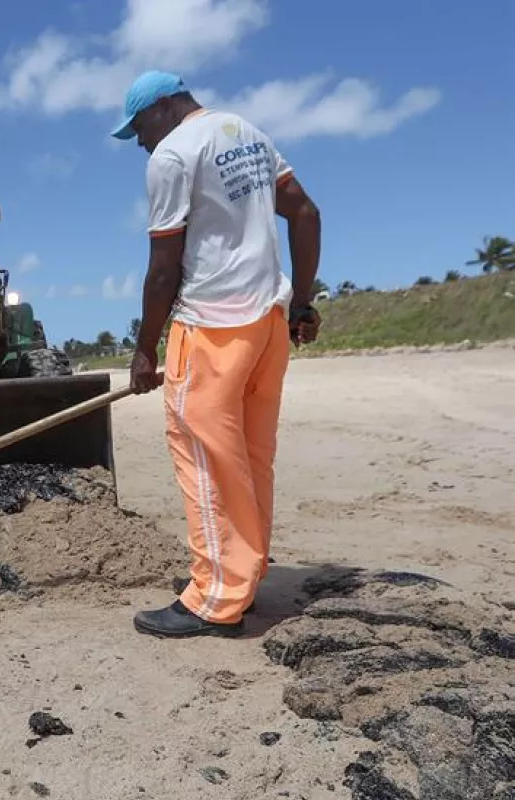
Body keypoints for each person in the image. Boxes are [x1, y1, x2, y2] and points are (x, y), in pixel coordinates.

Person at [110, 70, 323, 638]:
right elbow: (305, 213)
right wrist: (301, 303)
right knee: (250, 460)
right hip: (268, 326)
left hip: (210, 327)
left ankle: (213, 597)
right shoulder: (248, 133)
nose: (141, 143)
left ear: (161, 108)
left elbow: (163, 269)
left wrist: (144, 350)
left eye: (139, 129)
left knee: (204, 459)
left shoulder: (173, 155)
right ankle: (244, 579)